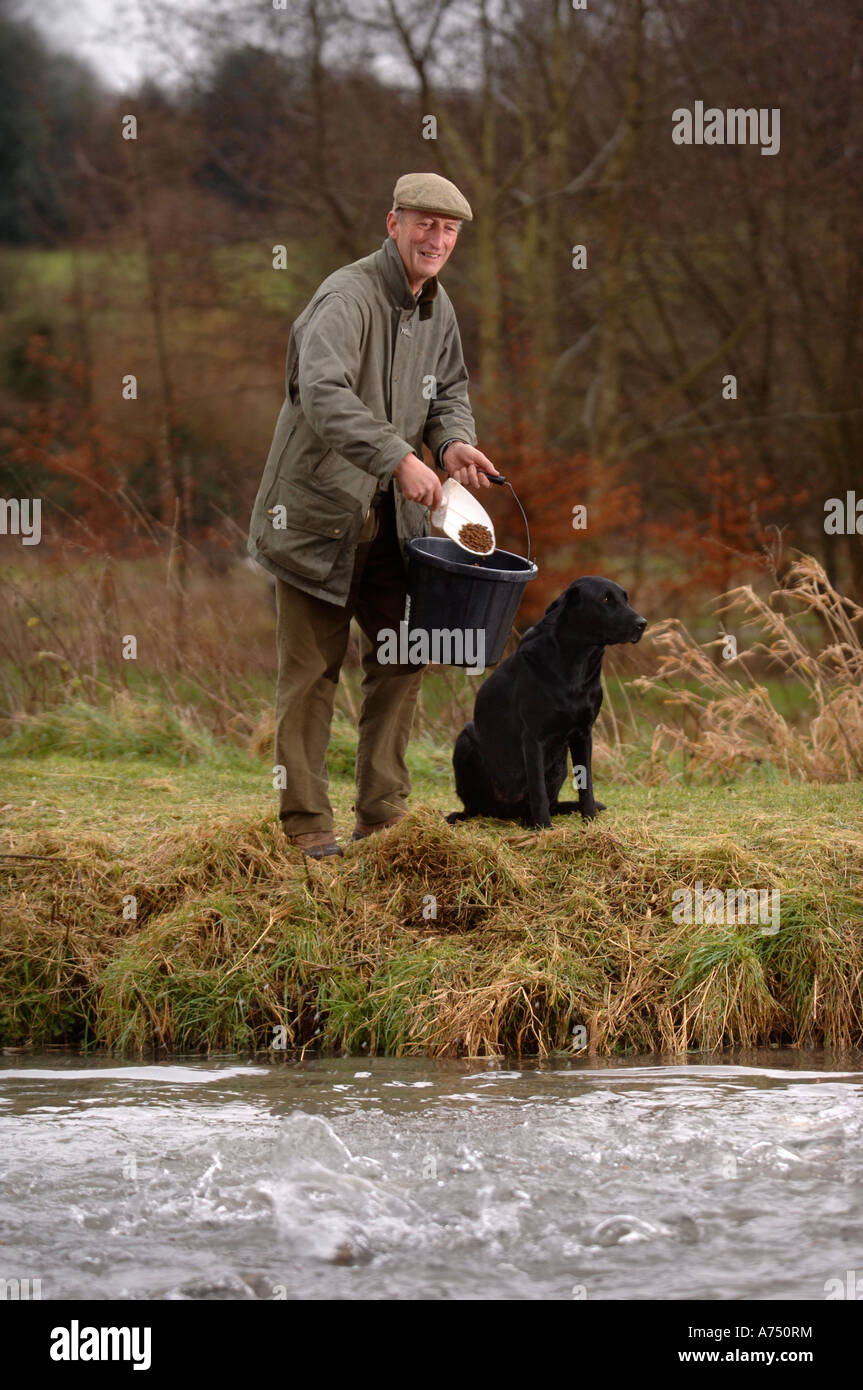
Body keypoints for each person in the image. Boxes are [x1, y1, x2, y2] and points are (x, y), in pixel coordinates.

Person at [247, 172, 499, 858]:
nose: (436, 239)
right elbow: (320, 394)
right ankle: (306, 827)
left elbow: (448, 389)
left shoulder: (435, 308)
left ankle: (382, 814)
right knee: (310, 675)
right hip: (315, 519)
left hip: (397, 522)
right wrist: (397, 455)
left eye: (447, 230)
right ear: (393, 223)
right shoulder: (344, 297)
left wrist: (449, 443)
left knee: (402, 658)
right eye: (423, 223)